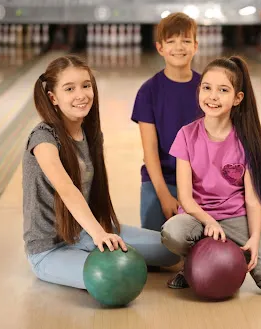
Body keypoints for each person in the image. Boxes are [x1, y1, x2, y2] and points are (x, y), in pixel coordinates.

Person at [23, 55, 179, 289]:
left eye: (86, 86)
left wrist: (101, 230)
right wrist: (99, 235)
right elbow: (67, 189)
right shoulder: (43, 139)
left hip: (88, 231)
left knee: (172, 250)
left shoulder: (90, 133)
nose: (81, 95)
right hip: (50, 248)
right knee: (115, 278)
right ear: (53, 97)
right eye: (69, 89)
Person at [161, 56, 261, 294]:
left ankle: (228, 259)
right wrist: (208, 221)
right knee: (173, 232)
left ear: (237, 98)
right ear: (199, 90)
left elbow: (253, 200)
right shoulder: (186, 135)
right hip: (197, 218)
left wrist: (253, 237)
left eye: (223, 90)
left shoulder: (247, 141)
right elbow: (185, 199)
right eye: (207, 88)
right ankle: (191, 265)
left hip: (234, 217)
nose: (213, 96)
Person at [131, 12, 201, 232]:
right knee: (159, 252)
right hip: (160, 181)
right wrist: (164, 197)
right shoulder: (148, 91)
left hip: (199, 184)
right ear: (160, 48)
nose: (179, 47)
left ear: (196, 46)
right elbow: (150, 153)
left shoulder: (206, 88)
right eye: (171, 41)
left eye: (186, 41)